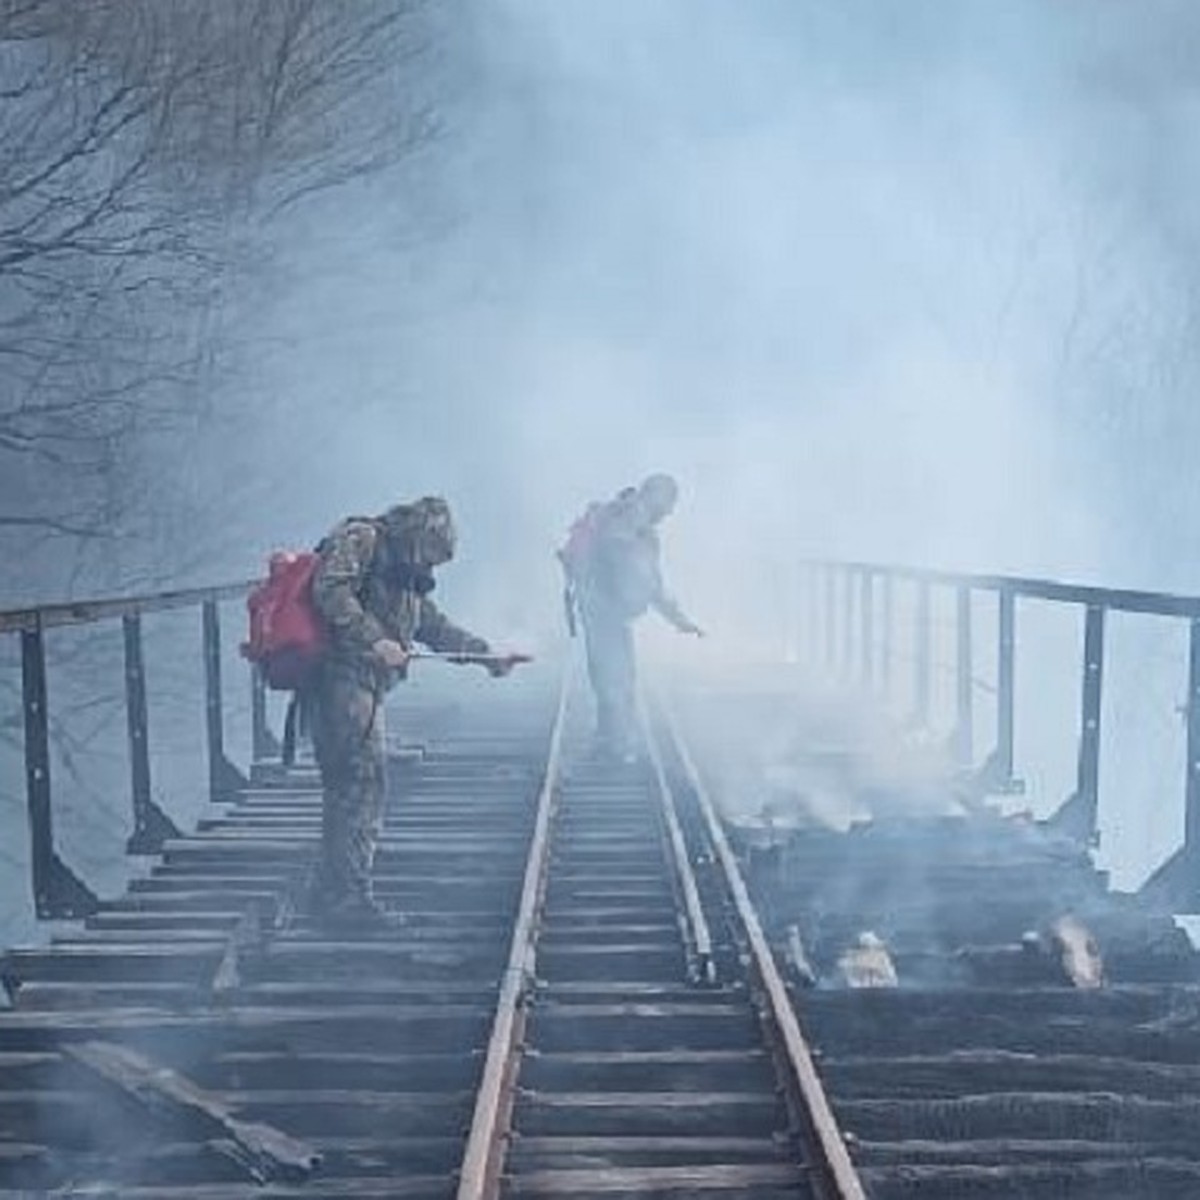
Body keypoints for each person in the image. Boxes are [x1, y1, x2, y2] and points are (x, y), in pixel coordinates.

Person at [307, 496, 524, 928]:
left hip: (362, 683)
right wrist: (374, 640)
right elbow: (329, 588)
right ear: (421, 535)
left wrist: (485, 656)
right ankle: (347, 900)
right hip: (340, 678)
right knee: (362, 783)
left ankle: (332, 891)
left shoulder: (404, 572)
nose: (430, 567)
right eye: (431, 556)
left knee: (352, 785)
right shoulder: (364, 538)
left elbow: (431, 626)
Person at [560, 474, 701, 762]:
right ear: (657, 495)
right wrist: (668, 612)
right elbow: (644, 576)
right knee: (617, 676)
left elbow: (650, 582)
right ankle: (616, 745)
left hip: (598, 606)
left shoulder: (626, 516)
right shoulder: (633, 516)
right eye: (669, 504)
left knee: (609, 674)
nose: (669, 513)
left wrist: (678, 619)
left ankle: (610, 740)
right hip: (606, 608)